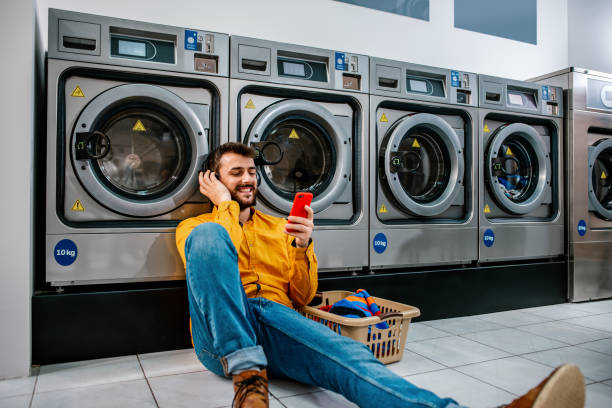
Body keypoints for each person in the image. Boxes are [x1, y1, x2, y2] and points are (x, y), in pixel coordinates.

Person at [175, 142, 586, 408]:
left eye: (250, 171)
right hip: (220, 342)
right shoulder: (197, 228)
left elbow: (302, 297)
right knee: (213, 238)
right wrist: (225, 206)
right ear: (214, 182)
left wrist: (302, 247)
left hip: (276, 325)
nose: (247, 179)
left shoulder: (281, 226)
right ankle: (247, 377)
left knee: (350, 356)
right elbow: (211, 264)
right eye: (235, 173)